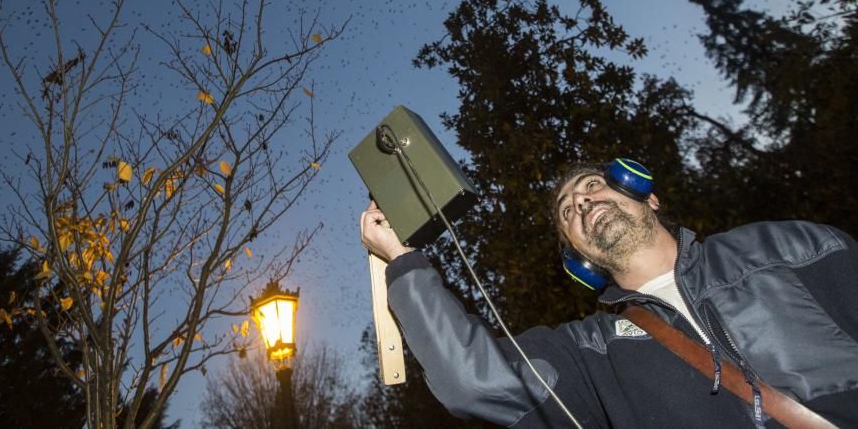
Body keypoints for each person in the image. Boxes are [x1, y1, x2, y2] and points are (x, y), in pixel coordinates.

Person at [359, 159, 858, 428]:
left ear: (648, 196)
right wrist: (403, 261)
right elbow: (474, 381)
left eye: (593, 185)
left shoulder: (782, 245)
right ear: (580, 258)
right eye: (567, 212)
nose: (581, 202)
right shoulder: (590, 353)